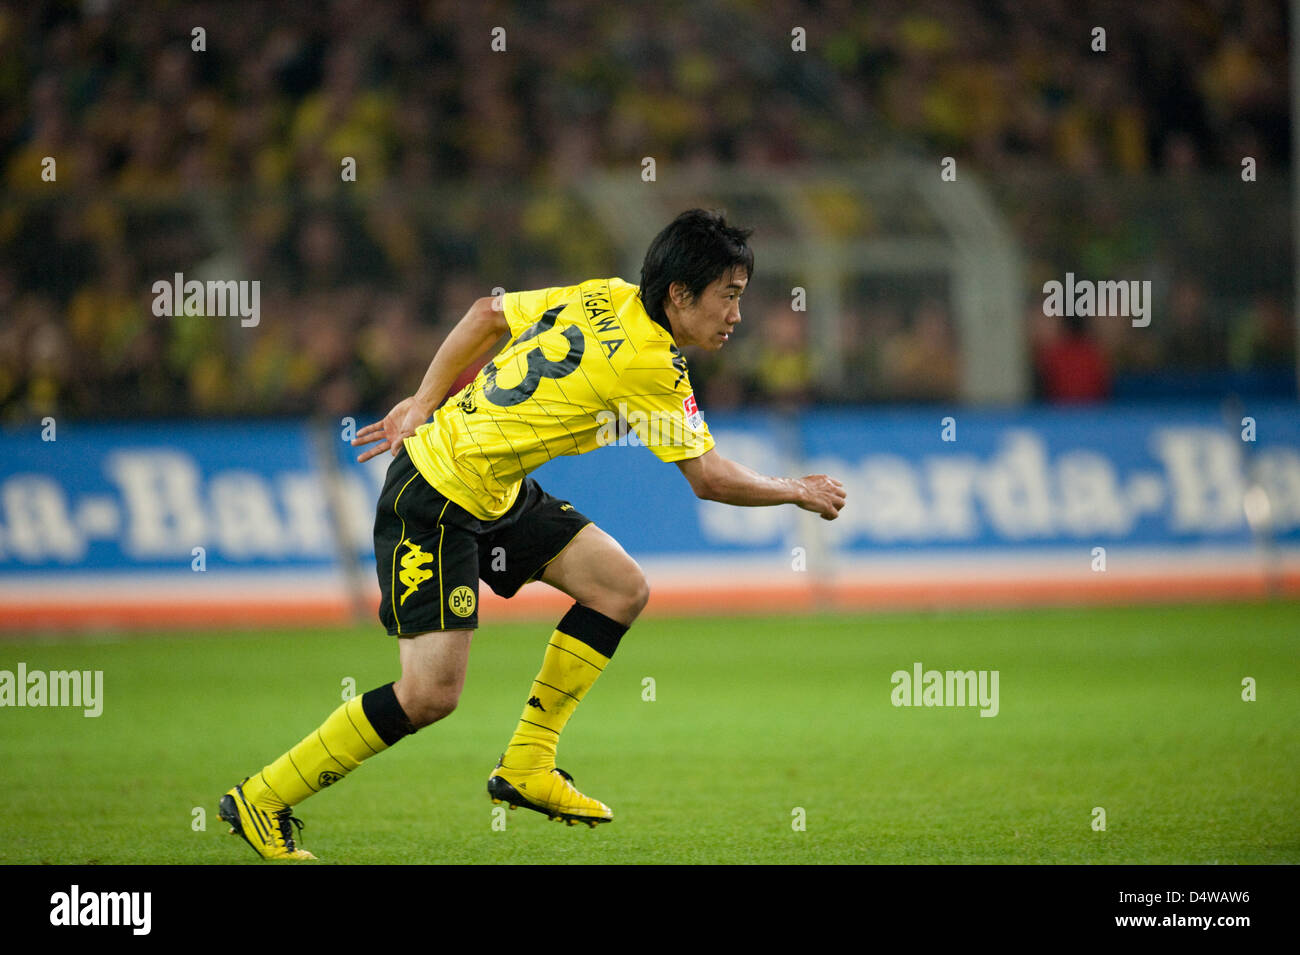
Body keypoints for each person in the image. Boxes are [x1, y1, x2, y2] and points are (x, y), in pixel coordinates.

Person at [218, 208, 847, 859]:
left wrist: (423, 401)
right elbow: (710, 478)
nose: (736, 316)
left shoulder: (606, 293)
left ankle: (527, 764)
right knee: (429, 694)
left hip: (495, 488)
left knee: (619, 587)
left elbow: (487, 314)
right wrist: (796, 488)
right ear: (679, 295)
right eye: (729, 297)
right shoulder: (653, 365)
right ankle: (262, 796)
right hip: (434, 497)